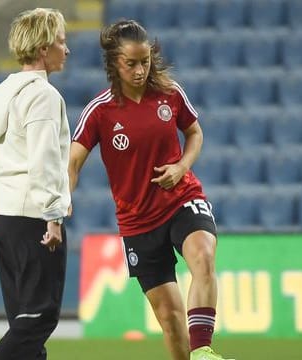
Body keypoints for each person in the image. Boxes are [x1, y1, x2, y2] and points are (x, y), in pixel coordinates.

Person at [68, 20, 234, 360]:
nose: (140, 69)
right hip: (138, 222)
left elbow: (195, 133)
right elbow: (72, 163)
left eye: (145, 61)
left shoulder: (169, 93)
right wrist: (61, 203)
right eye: (131, 63)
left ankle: (203, 350)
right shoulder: (99, 112)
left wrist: (182, 167)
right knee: (171, 321)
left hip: (181, 199)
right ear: (114, 62)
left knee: (203, 254)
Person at [0, 8, 70, 360]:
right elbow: (44, 161)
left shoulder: (3, 94)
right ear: (43, 49)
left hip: (3, 214)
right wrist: (53, 216)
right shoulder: (43, 96)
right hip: (32, 216)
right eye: (60, 41)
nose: (66, 49)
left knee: (24, 324)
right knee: (40, 317)